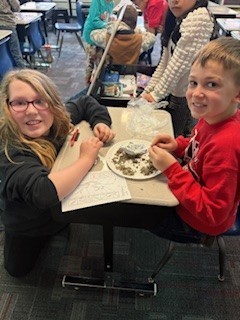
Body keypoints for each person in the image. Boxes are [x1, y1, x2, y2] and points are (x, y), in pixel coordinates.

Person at [0, 69, 115, 277]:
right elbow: (43, 192)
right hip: (27, 224)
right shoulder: (11, 152)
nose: (32, 111)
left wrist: (100, 122)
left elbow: (85, 102)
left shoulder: (55, 119)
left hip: (55, 211)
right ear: (7, 107)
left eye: (40, 101)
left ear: (52, 104)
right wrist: (86, 159)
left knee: (60, 220)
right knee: (17, 271)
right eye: (19, 103)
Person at [146, 36, 240, 242]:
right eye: (193, 82)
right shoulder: (214, 115)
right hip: (192, 190)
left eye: (212, 84)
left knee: (139, 212)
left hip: (198, 222)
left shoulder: (226, 145)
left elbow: (212, 213)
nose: (197, 93)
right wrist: (178, 145)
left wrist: (172, 170)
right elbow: (198, 144)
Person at [141, 0, 215, 137]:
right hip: (174, 92)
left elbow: (178, 65)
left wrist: (155, 94)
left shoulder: (199, 18)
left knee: (176, 140)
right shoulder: (179, 19)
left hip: (185, 96)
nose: (174, 1)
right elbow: (166, 61)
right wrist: (148, 91)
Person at [90, 5, 156, 65]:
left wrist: (113, 26)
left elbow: (93, 34)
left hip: (111, 73)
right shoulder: (140, 39)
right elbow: (152, 38)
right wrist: (136, 30)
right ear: (135, 23)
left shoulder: (106, 37)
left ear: (118, 20)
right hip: (131, 73)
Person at [83, 0, 115, 84]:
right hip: (91, 36)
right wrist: (108, 25)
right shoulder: (97, 1)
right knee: (91, 63)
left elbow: (106, 18)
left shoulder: (111, 3)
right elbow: (94, 20)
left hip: (101, 36)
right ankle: (88, 87)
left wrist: (110, 21)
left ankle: (98, 84)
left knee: (102, 62)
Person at [0, 0, 25, 68]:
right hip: (6, 24)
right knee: (15, 54)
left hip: (6, 24)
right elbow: (16, 8)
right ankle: (23, 76)